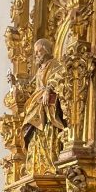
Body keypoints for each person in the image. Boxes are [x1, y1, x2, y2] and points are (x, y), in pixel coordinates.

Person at [22, 38, 65, 176]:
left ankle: (49, 164)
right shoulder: (40, 70)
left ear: (46, 51)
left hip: (47, 108)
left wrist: (48, 90)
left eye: (38, 51)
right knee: (34, 134)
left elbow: (60, 75)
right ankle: (37, 165)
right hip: (37, 104)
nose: (36, 55)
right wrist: (15, 84)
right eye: (35, 52)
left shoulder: (54, 64)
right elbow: (31, 87)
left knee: (46, 131)